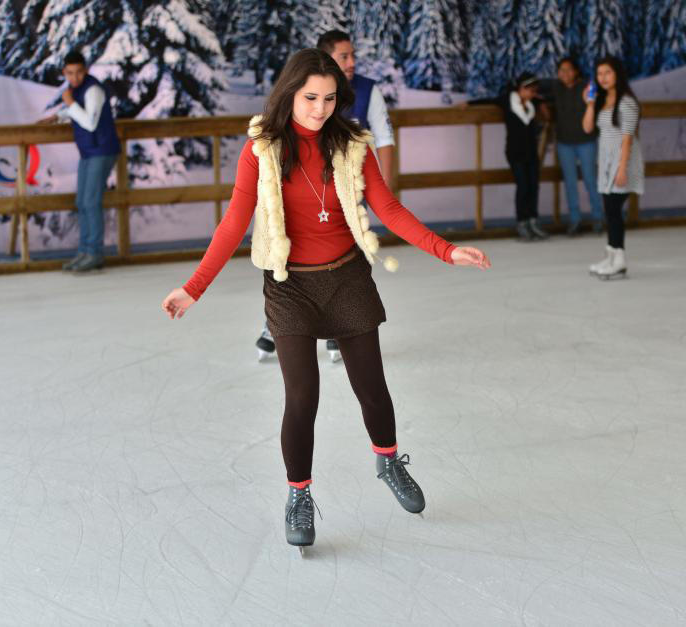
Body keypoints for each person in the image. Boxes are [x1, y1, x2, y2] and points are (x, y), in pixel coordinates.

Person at [160, 49, 490, 551]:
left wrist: (445, 250)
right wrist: (194, 287)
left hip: (347, 278)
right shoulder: (262, 150)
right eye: (310, 97)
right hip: (289, 284)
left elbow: (388, 208)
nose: (320, 108)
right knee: (302, 396)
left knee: (371, 387)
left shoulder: (352, 145)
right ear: (290, 94)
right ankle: (299, 493)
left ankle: (388, 462)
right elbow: (234, 222)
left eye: (330, 98)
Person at [255, 30, 398, 363]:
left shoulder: (367, 91)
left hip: (345, 187)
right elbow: (235, 218)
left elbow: (384, 137)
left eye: (353, 55)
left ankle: (337, 326)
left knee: (339, 252)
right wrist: (195, 287)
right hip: (298, 209)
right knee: (296, 248)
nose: (351, 62)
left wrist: (382, 192)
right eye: (344, 56)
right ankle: (277, 324)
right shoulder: (285, 119)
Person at [38, 50, 120, 274]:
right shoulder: (78, 90)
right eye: (70, 73)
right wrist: (60, 115)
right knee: (82, 202)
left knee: (91, 202)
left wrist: (70, 103)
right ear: (64, 72)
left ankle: (94, 252)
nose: (74, 77)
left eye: (79, 72)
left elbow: (90, 122)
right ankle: (85, 251)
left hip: (101, 150)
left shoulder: (93, 89)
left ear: (86, 70)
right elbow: (79, 111)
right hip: (89, 151)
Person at [464, 73, 548, 241]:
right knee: (523, 186)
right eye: (530, 90)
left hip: (531, 152)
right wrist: (469, 104)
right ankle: (522, 222)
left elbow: (544, 102)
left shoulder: (533, 103)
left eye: (534, 90)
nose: (532, 93)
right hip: (515, 151)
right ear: (521, 88)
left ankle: (533, 220)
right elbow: (488, 101)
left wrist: (543, 105)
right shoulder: (507, 100)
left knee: (533, 185)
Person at [582, 56, 644, 280]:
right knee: (610, 209)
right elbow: (587, 127)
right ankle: (611, 255)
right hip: (607, 162)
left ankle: (619, 259)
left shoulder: (627, 102)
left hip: (622, 161)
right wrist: (590, 104)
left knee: (614, 209)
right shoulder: (602, 100)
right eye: (599, 74)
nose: (603, 78)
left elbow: (627, 138)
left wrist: (622, 168)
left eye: (607, 73)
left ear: (617, 74)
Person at [548, 57, 603, 236]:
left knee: (590, 179)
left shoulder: (586, 87)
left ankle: (598, 217)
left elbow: (598, 101)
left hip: (586, 141)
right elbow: (534, 91)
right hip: (565, 143)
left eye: (568, 69)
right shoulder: (556, 87)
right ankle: (575, 219)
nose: (565, 73)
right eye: (561, 70)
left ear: (576, 71)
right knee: (570, 182)